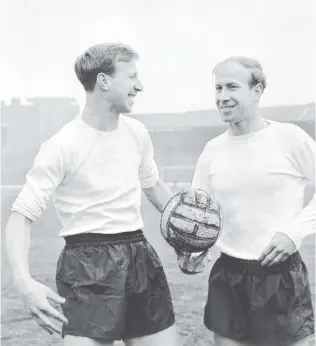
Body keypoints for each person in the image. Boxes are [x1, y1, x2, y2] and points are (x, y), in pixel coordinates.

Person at [5, 42, 179, 346]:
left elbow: (153, 187)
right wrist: (24, 282)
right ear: (104, 81)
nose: (140, 86)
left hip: (140, 256)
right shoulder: (62, 145)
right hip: (87, 266)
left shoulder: (137, 133)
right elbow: (20, 217)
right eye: (132, 77)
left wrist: (186, 239)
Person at [179, 57, 315, 345]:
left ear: (257, 91)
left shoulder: (288, 138)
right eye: (218, 88)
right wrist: (190, 250)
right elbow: (198, 213)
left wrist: (294, 233)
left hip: (280, 276)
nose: (222, 97)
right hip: (228, 277)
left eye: (232, 87)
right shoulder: (212, 151)